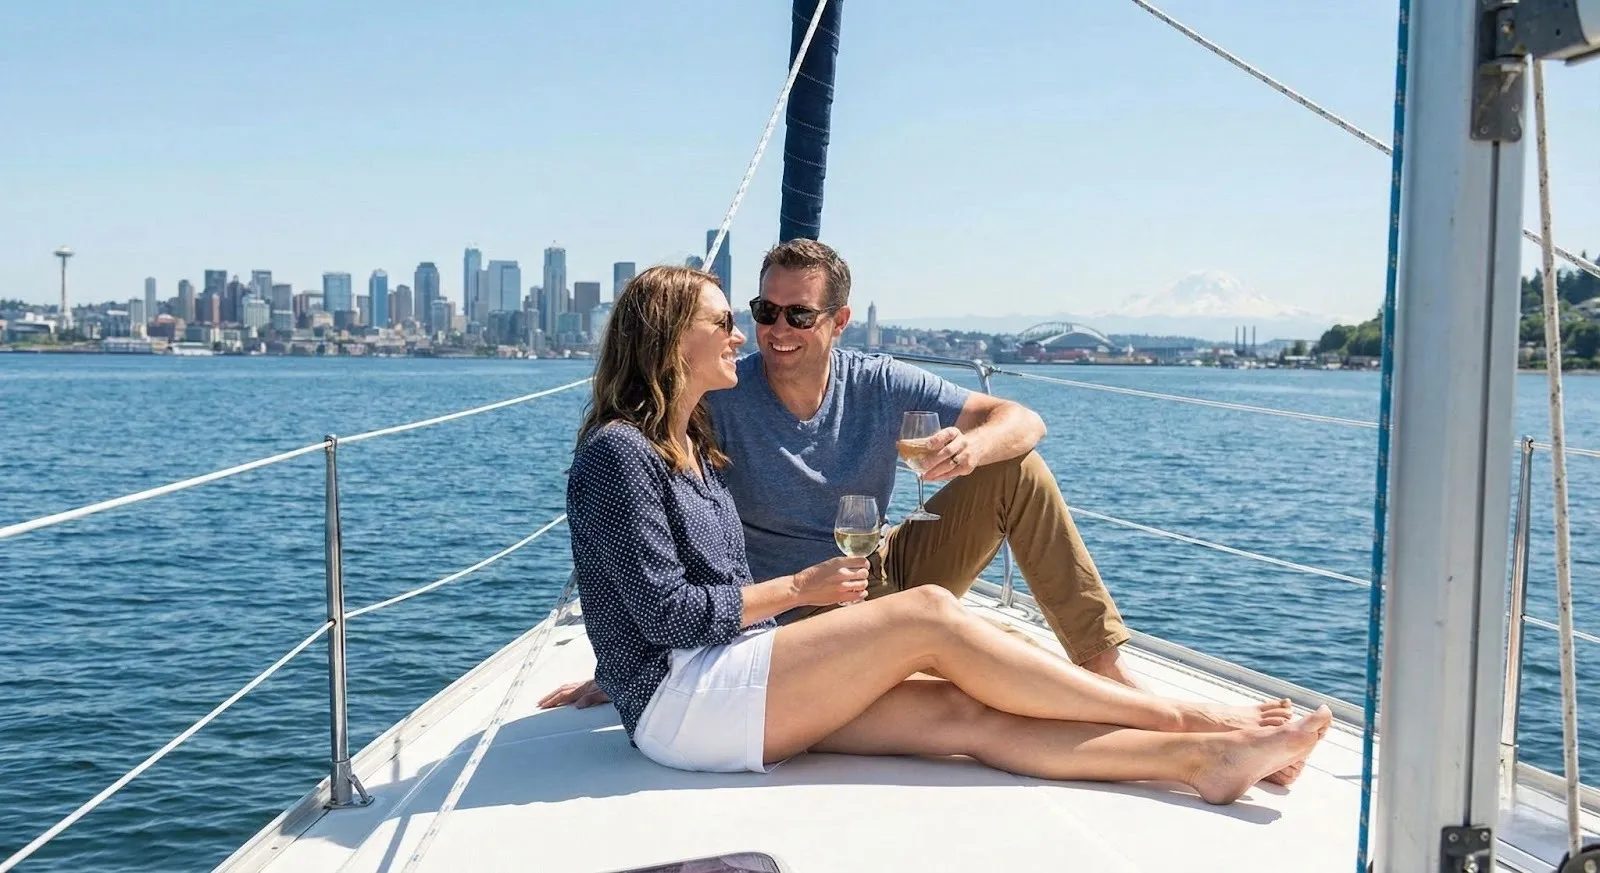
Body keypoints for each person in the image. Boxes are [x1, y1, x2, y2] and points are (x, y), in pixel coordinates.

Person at [555, 263, 1328, 799]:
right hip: (684, 701)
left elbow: (659, 596)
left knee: (965, 716)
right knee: (930, 614)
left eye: (763, 316)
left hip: (729, 671)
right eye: (732, 319)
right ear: (667, 339)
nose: (747, 333)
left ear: (837, 321)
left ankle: (1204, 762)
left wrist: (967, 451)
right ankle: (1187, 716)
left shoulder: (693, 441)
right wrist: (793, 591)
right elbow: (661, 615)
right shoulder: (620, 453)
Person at [545, 237, 1141, 716]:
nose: (777, 330)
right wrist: (624, 667)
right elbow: (633, 514)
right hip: (798, 605)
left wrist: (970, 447)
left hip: (880, 563)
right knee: (979, 673)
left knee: (1018, 469)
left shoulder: (878, 382)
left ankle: (1099, 664)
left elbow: (1023, 420)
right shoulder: (717, 394)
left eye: (800, 314)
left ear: (840, 321)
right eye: (765, 312)